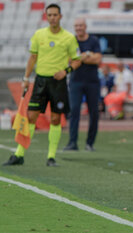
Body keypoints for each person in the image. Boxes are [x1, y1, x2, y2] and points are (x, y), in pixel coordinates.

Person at [3, 4, 81, 166]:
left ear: (61, 17)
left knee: (55, 118)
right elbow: (32, 58)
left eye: (55, 15)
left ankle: (51, 157)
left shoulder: (68, 37)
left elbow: (77, 60)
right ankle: (19, 154)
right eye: (50, 15)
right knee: (31, 117)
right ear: (46, 17)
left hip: (58, 83)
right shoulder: (39, 35)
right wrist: (25, 78)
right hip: (40, 81)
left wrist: (65, 71)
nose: (52, 18)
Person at [63, 18, 102, 152]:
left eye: (80, 25)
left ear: (85, 26)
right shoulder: (71, 41)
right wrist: (85, 56)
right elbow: (69, 60)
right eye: (76, 26)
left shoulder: (94, 40)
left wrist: (79, 58)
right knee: (74, 111)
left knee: (94, 113)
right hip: (76, 81)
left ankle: (90, 143)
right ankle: (72, 142)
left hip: (92, 82)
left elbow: (98, 59)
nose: (78, 28)